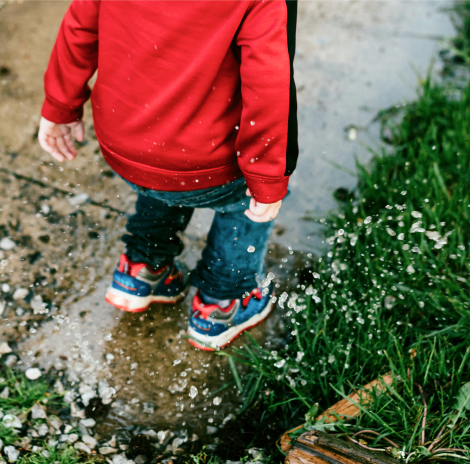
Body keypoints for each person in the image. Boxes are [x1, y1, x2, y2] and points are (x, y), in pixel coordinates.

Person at [38, 0, 298, 351]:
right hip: (206, 158)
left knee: (162, 174)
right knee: (242, 204)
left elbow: (80, 27)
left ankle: (143, 268)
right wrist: (267, 176)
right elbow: (267, 80)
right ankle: (223, 301)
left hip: (126, 143)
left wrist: (60, 105)